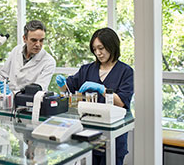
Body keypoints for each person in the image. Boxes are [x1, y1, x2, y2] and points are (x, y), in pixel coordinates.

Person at [56, 27, 134, 165]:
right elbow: (68, 89)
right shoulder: (87, 69)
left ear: (112, 46)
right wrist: (62, 84)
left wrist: (102, 89)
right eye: (94, 49)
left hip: (113, 136)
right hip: (87, 134)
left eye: (101, 48)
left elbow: (122, 101)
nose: (98, 53)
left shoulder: (125, 72)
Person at [0, 20, 56, 94]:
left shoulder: (49, 62)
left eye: (41, 40)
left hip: (30, 102)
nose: (38, 44)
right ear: (24, 39)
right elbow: (3, 76)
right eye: (34, 40)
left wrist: (14, 94)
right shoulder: (16, 50)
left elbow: (38, 89)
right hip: (8, 101)